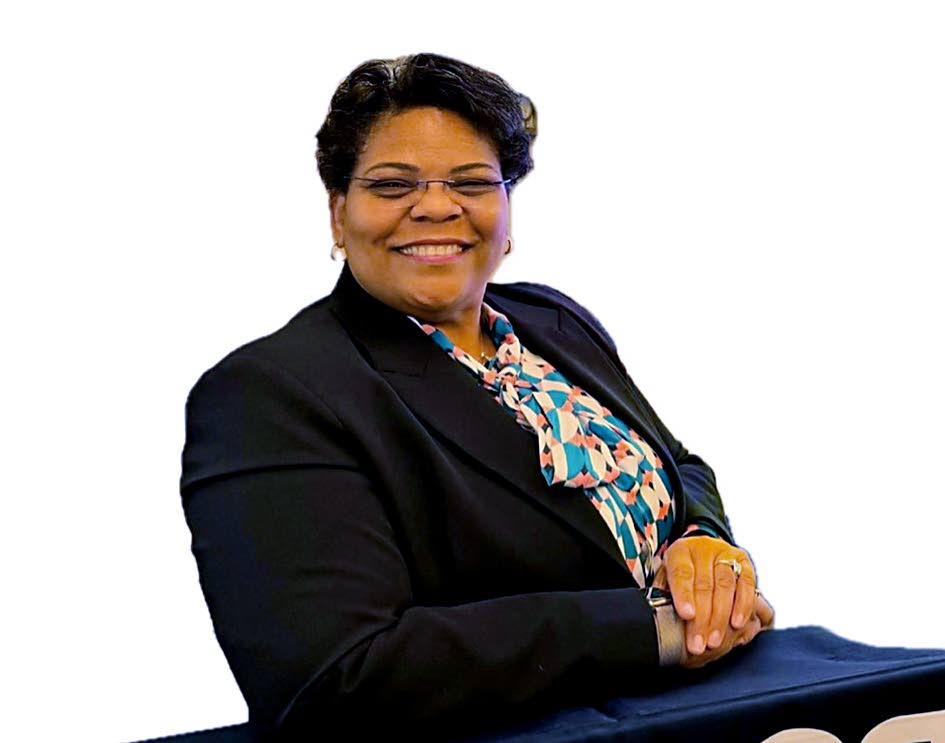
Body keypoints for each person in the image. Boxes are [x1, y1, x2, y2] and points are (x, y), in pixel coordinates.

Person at [180, 52, 774, 739]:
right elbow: (331, 677)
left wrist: (703, 543)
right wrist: (653, 630)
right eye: (392, 184)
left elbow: (675, 464)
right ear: (338, 213)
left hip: (704, 709)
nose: (437, 206)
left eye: (470, 182)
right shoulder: (268, 395)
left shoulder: (554, 321)